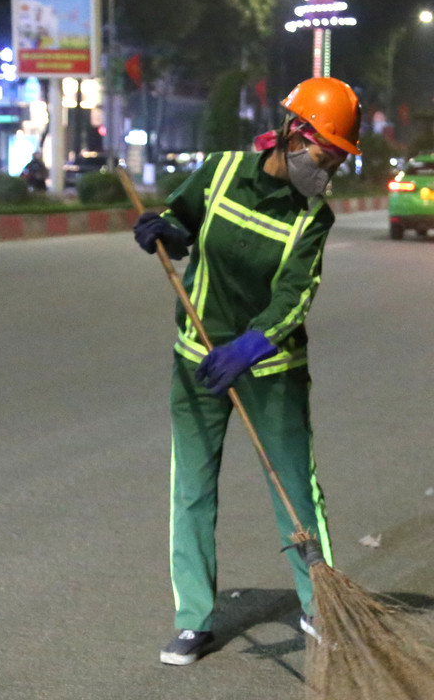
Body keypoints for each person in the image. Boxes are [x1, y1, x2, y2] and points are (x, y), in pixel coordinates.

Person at [132, 76, 361, 666]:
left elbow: (294, 296)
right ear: (293, 133)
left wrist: (251, 346)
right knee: (191, 490)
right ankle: (193, 621)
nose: (328, 167)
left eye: (338, 158)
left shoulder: (314, 217)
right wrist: (163, 230)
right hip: (196, 363)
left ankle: (320, 606)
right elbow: (177, 218)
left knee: (295, 493)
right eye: (325, 152)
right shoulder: (221, 170)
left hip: (272, 371)